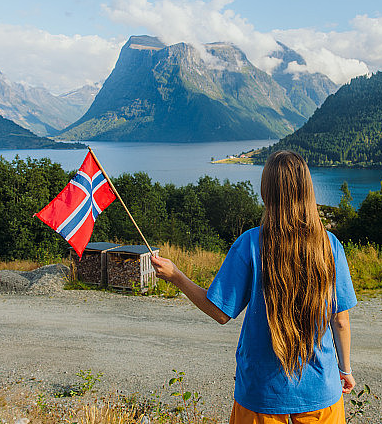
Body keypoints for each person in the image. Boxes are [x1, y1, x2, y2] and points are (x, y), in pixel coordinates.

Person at [151, 150, 357, 423]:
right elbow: (340, 320)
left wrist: (176, 275)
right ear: (307, 189)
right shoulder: (329, 245)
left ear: (266, 191)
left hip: (261, 396)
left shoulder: (250, 243)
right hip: (321, 394)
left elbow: (220, 312)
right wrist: (345, 368)